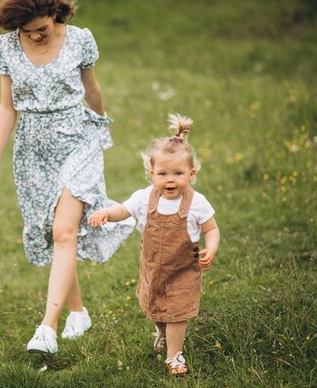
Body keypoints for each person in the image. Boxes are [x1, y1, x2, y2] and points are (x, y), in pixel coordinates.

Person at [0, 0, 135, 354]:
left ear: (54, 13)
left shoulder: (80, 39)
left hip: (77, 138)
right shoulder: (5, 48)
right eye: (26, 32)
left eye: (41, 30)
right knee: (56, 233)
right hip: (32, 148)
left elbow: (92, 88)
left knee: (65, 230)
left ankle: (46, 330)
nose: (34, 36)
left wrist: (101, 126)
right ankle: (78, 312)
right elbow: (7, 106)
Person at [88, 115, 220, 376]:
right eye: (163, 174)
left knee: (176, 314)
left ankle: (174, 356)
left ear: (191, 174)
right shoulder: (144, 197)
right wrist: (106, 213)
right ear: (152, 173)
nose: (170, 180)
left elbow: (212, 229)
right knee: (157, 311)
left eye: (178, 173)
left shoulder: (197, 202)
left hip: (183, 270)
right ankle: (161, 334)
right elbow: (123, 211)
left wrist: (211, 249)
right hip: (153, 269)